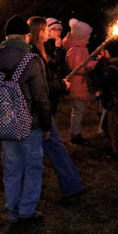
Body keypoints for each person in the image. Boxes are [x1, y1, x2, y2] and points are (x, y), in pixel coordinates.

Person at [0, 16, 52, 230]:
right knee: (33, 167)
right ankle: (27, 210)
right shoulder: (31, 59)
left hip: (5, 123)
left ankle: (13, 212)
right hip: (29, 124)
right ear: (26, 36)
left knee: (11, 169)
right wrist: (46, 125)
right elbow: (41, 97)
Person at [28, 16, 88, 202]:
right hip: (38, 108)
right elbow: (42, 85)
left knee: (51, 147)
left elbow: (55, 69)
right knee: (48, 148)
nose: (49, 33)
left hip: (43, 106)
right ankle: (68, 186)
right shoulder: (34, 54)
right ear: (40, 32)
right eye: (47, 29)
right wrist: (61, 85)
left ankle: (70, 185)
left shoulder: (42, 51)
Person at [62, 18, 95, 145]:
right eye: (87, 35)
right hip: (77, 83)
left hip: (80, 83)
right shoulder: (75, 49)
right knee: (78, 110)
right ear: (81, 36)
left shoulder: (81, 48)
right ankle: (75, 134)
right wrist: (93, 65)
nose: (89, 37)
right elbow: (78, 67)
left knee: (79, 110)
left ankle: (76, 132)